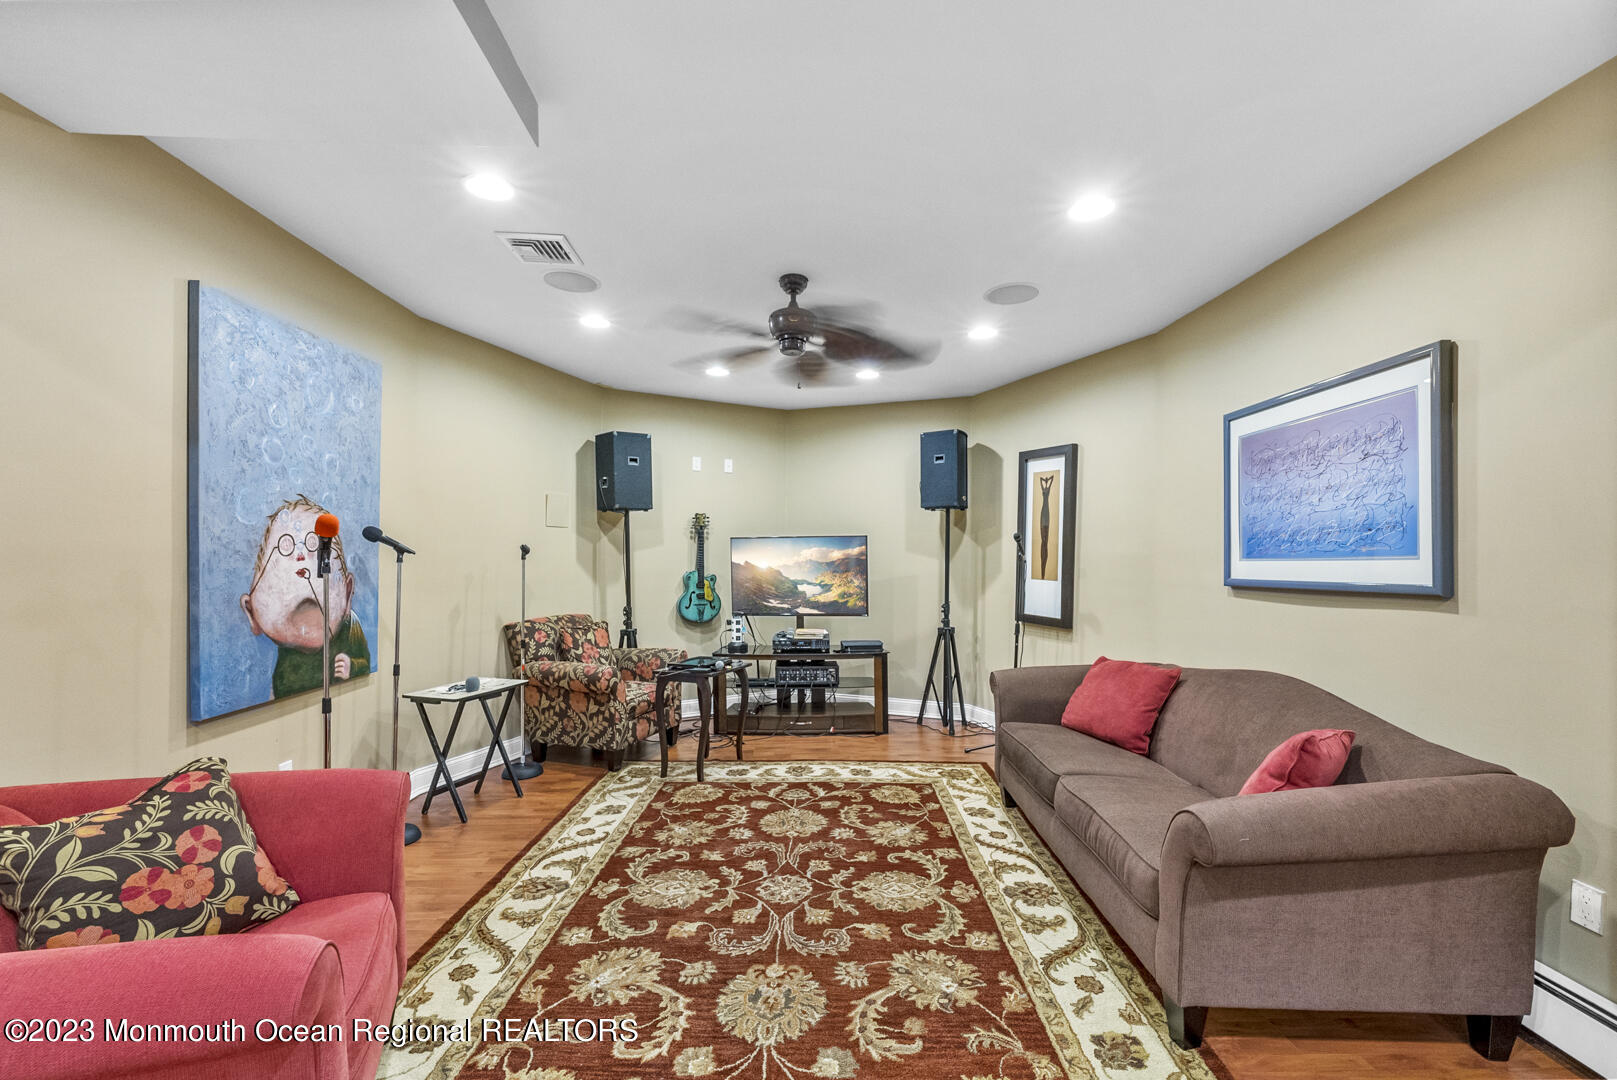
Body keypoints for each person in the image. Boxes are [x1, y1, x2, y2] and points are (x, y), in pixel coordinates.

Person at [239, 495, 371, 698]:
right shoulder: (286, 661)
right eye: (285, 547)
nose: (300, 557)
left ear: (347, 593)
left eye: (312, 544)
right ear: (251, 611)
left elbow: (363, 661)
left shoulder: (350, 627)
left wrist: (351, 667)